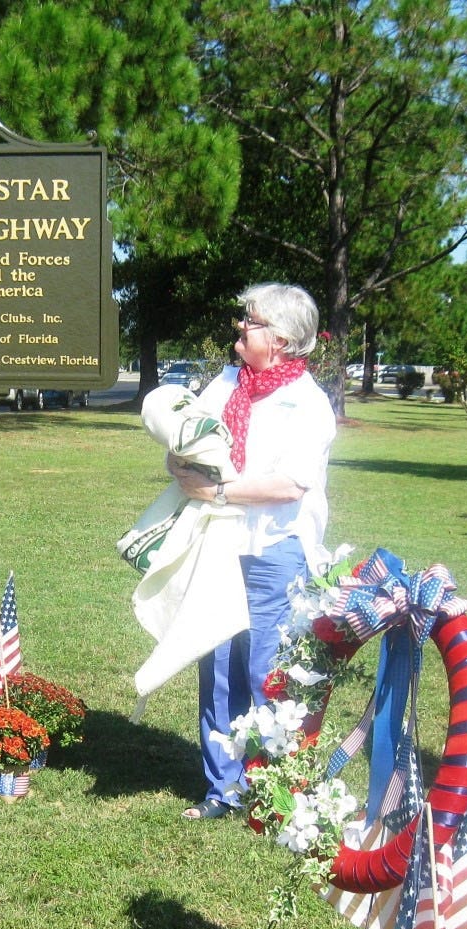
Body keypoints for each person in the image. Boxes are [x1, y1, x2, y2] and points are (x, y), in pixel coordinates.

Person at [166, 283, 336, 820]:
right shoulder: (227, 383)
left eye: (252, 321)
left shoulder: (307, 404)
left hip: (274, 551)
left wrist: (214, 489)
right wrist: (179, 462)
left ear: (281, 340)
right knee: (217, 663)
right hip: (219, 542)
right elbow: (187, 433)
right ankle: (223, 789)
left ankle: (274, 793)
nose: (241, 327)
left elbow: (289, 485)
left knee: (268, 673)